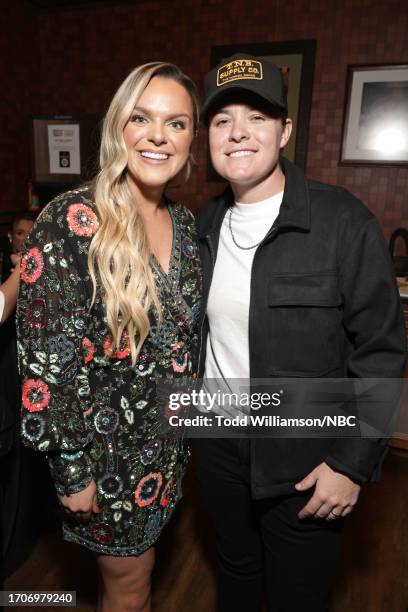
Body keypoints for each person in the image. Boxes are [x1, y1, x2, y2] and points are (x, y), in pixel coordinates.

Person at [193, 54, 406, 611]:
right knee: (235, 573)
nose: (238, 132)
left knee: (297, 596)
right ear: (208, 138)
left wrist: (350, 464)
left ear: (285, 130)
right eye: (222, 120)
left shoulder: (343, 223)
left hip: (306, 456)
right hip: (216, 443)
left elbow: (382, 352)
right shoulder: (201, 225)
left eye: (257, 117)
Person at [17, 62, 201, 612]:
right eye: (141, 118)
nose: (157, 136)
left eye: (177, 123)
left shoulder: (188, 227)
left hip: (166, 450)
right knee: (131, 585)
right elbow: (47, 366)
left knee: (134, 577)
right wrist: (72, 470)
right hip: (106, 457)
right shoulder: (69, 221)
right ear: (117, 126)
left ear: (192, 137)